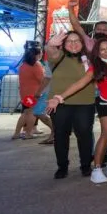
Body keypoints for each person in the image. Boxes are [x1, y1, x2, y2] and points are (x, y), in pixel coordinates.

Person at [47, 11, 107, 184]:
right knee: (106, 133)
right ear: (97, 53)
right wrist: (59, 97)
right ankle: (95, 168)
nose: (106, 52)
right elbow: (79, 84)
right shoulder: (95, 67)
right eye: (102, 50)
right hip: (105, 103)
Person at [45, 31, 96, 179]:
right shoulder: (59, 56)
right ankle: (62, 167)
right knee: (61, 135)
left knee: (85, 135)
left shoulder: (90, 59)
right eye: (69, 41)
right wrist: (50, 45)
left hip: (85, 103)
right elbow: (51, 52)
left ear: (82, 43)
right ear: (63, 44)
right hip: (59, 103)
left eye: (77, 41)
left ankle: (86, 165)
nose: (73, 44)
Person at [13, 42, 53, 141]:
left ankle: (17, 133)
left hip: (24, 93)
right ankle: (28, 133)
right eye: (41, 53)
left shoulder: (23, 65)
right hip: (34, 94)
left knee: (25, 113)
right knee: (32, 113)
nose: (42, 54)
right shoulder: (36, 65)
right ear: (37, 54)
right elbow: (43, 79)